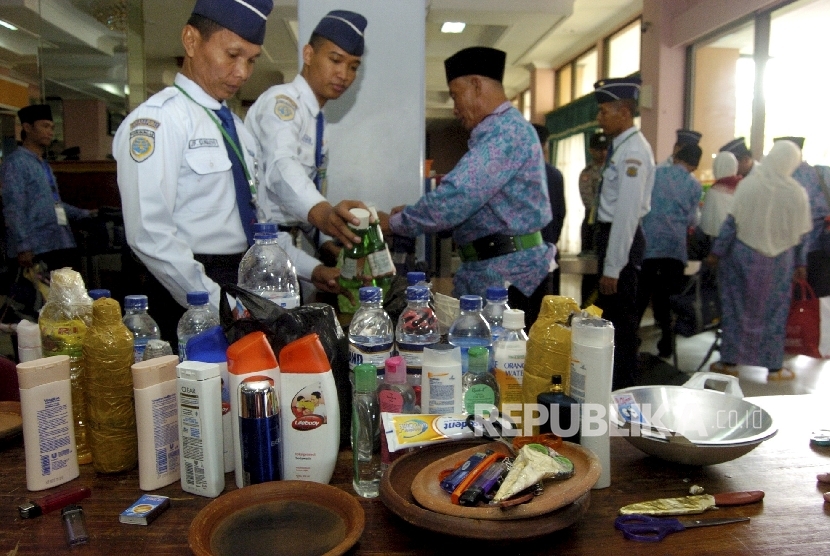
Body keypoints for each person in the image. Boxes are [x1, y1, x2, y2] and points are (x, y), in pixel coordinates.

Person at [113, 0, 340, 344]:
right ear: (191, 40)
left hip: (242, 283)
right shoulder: (158, 122)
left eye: (251, 60)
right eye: (232, 55)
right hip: (187, 293)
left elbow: (258, 230)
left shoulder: (238, 129)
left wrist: (314, 270)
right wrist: (215, 302)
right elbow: (150, 235)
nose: (243, 72)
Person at [379, 47, 555, 328]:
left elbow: (459, 196)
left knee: (501, 367)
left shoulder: (505, 132)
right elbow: (477, 204)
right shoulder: (497, 132)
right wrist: (417, 214)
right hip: (491, 271)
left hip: (509, 277)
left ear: (476, 85)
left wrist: (397, 223)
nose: (454, 107)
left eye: (455, 94)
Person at [245, 10, 369, 264]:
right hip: (260, 246)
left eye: (353, 67)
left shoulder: (316, 119)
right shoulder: (282, 104)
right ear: (309, 54)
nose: (344, 75)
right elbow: (281, 167)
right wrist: (324, 214)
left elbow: (305, 191)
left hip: (289, 242)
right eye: (335, 60)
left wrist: (329, 246)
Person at [705, 140, 811, 381]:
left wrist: (716, 253)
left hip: (743, 257)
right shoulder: (797, 192)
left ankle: (729, 362)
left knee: (736, 308)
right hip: (780, 262)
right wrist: (801, 264)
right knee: (775, 312)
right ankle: (773, 368)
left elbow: (731, 223)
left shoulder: (749, 185)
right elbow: (803, 235)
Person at [591, 76, 655, 390]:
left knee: (622, 322)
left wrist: (614, 267)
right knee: (612, 319)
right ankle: (613, 383)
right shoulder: (623, 147)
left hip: (622, 242)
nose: (599, 119)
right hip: (612, 239)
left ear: (624, 111)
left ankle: (625, 388)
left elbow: (627, 215)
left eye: (604, 112)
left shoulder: (634, 153)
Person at [1, 104, 95, 275]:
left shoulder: (43, 165)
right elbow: (14, 208)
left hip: (58, 242)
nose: (50, 132)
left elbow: (53, 204)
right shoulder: (16, 163)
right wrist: (23, 246)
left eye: (52, 127)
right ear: (27, 127)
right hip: (34, 249)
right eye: (44, 126)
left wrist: (85, 214)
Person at [636, 144, 703, 358]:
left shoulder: (654, 173)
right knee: (668, 298)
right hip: (674, 249)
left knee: (641, 295)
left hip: (648, 246)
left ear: (676, 157)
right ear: (694, 165)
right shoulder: (694, 185)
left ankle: (630, 341)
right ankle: (667, 344)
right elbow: (693, 219)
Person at [774, 137, 830, 299]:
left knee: (795, 303)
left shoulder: (782, 180)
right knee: (821, 302)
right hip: (824, 247)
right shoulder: (822, 173)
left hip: (793, 253)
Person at [533, 123, 565, 295]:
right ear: (545, 145)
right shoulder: (554, 175)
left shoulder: (514, 172)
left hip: (518, 257)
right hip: (547, 250)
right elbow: (560, 214)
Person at [700, 151, 742, 239]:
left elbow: (705, 224)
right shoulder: (743, 186)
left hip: (718, 242)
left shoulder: (714, 191)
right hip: (739, 240)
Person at [578, 131, 607, 256]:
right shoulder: (587, 173)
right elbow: (587, 199)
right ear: (591, 150)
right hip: (592, 220)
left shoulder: (614, 169)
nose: (603, 153)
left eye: (605, 149)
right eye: (599, 150)